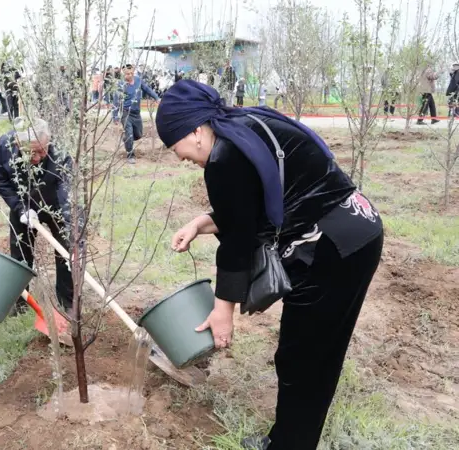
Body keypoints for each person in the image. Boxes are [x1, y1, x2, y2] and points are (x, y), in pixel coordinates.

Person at [156, 80, 384, 450]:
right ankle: (290, 438)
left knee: (304, 359)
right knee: (315, 353)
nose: (179, 157)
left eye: (176, 146)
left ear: (196, 131)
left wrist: (222, 309)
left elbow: (239, 240)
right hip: (355, 230)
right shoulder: (243, 128)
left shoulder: (225, 156)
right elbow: (247, 208)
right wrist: (200, 223)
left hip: (333, 249)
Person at [0, 117, 78, 313]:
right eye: (31, 152)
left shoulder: (60, 153)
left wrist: (68, 220)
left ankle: (68, 301)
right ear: (18, 144)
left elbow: (66, 191)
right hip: (24, 203)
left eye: (42, 150)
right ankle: (21, 301)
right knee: (20, 250)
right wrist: (20, 208)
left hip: (54, 201)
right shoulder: (6, 146)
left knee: (65, 248)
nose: (37, 156)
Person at [112, 64, 160, 164]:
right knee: (129, 134)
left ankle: (126, 139)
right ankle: (130, 155)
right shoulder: (121, 85)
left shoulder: (138, 80)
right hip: (126, 113)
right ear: (123, 74)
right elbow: (116, 101)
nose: (130, 76)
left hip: (137, 114)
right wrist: (115, 116)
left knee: (138, 135)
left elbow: (147, 89)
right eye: (127, 74)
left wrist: (156, 98)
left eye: (131, 73)